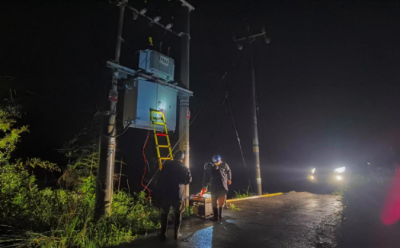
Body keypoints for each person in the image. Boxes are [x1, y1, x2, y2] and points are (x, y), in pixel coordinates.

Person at [158, 150, 192, 240]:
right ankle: (176, 234)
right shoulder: (184, 168)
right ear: (182, 158)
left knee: (164, 213)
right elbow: (188, 181)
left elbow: (160, 178)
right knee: (177, 213)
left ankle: (163, 233)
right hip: (177, 195)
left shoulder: (166, 166)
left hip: (166, 193)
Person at [202, 154, 232, 221]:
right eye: (215, 163)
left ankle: (219, 216)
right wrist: (205, 186)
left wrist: (229, 179)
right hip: (214, 187)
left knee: (221, 202)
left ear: (220, 160)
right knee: (214, 202)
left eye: (217, 162)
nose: (217, 164)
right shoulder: (210, 168)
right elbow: (206, 178)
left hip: (223, 187)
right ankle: (215, 217)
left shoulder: (224, 165)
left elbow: (228, 171)